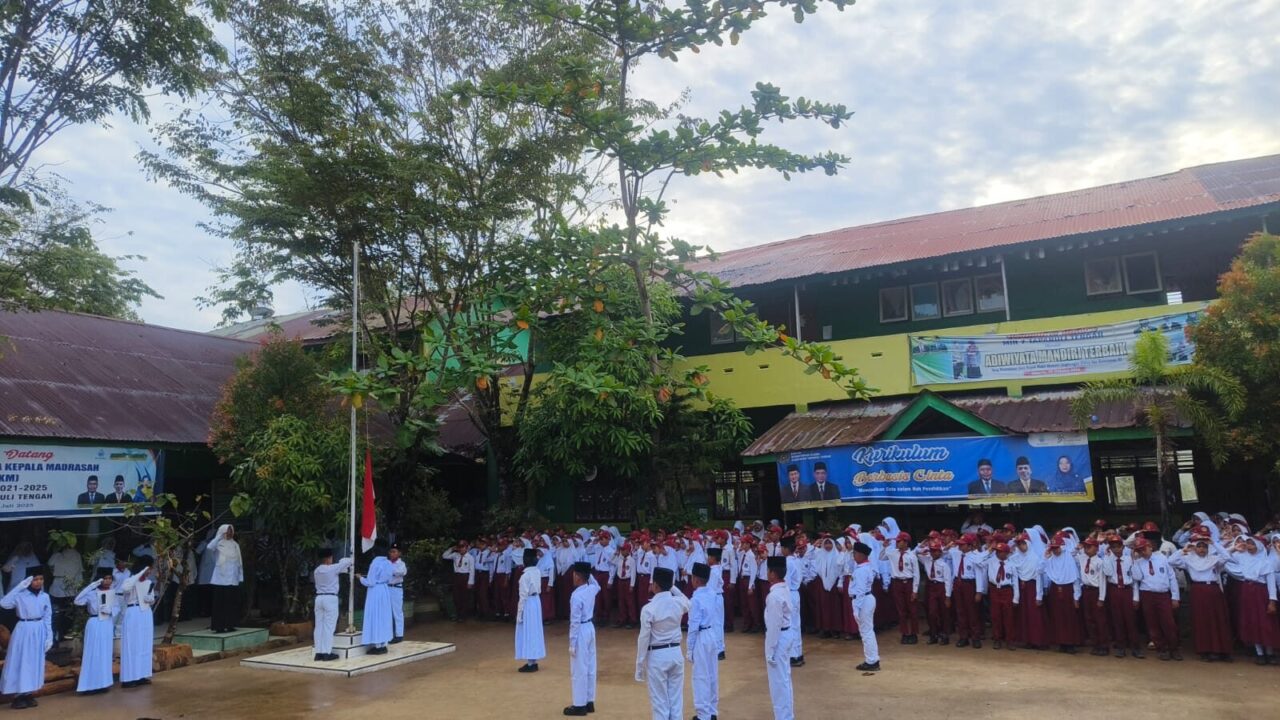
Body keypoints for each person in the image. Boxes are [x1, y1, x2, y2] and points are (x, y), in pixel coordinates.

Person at [635, 566, 689, 720]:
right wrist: (672, 587)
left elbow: (643, 638)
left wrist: (639, 663)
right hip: (676, 653)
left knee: (660, 703)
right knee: (676, 700)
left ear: (655, 585)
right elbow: (687, 601)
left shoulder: (649, 608)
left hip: (657, 656)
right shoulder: (678, 603)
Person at [1171, 537, 1233, 662]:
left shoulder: (1214, 560)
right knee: (1202, 620)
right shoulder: (1189, 560)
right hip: (1198, 590)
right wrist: (1184, 549)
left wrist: (1214, 543)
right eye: (1199, 546)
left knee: (1218, 620)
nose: (1201, 549)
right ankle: (1206, 649)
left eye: (1204, 546)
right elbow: (1171, 561)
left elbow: (1227, 557)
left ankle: (1222, 650)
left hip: (1213, 590)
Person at [0, 570, 51, 709]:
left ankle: (29, 692)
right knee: (22, 661)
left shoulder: (45, 596)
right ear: (28, 580)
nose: (38, 582)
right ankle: (18, 695)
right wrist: (20, 586)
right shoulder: (20, 595)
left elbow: (48, 617)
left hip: (39, 629)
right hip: (24, 628)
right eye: (35, 579)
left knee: (34, 662)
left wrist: (49, 637)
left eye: (41, 578)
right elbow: (4, 603)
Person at [1131, 538, 1182, 661]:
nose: (1142, 552)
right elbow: (1137, 578)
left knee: (1168, 623)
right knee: (1152, 623)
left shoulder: (1162, 559)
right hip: (1147, 594)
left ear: (1150, 547)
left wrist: (1175, 596)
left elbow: (1172, 578)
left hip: (1163, 594)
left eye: (1143, 549)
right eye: (1139, 550)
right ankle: (1161, 648)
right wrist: (1134, 560)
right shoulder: (1139, 562)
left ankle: (1173, 648)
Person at [564, 561, 599, 716]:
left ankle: (579, 705)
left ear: (578, 577)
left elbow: (574, 622)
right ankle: (589, 701)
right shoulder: (592, 588)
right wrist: (588, 572)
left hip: (581, 631)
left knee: (579, 668)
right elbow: (596, 584)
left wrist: (572, 642)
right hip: (590, 627)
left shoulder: (576, 595)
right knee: (591, 666)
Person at [74, 572, 118, 694]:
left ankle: (103, 683)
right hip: (94, 621)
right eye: (105, 578)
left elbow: (117, 607)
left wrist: (110, 610)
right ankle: (89, 685)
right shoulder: (91, 593)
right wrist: (91, 586)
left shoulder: (112, 592)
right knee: (93, 652)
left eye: (110, 578)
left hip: (107, 623)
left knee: (105, 653)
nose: (107, 581)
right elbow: (77, 601)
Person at [686, 562, 719, 720]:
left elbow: (693, 626)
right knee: (712, 674)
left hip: (701, 637)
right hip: (711, 633)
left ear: (696, 579)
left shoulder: (696, 599)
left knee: (700, 676)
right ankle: (712, 711)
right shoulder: (712, 593)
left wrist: (689, 648)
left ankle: (703, 714)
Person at [1039, 535, 1082, 654]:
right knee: (1057, 617)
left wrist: (1076, 597)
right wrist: (1045, 557)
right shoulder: (1050, 559)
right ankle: (1061, 642)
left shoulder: (1069, 558)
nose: (1055, 550)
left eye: (1057, 548)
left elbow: (1075, 579)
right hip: (1055, 590)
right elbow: (1040, 570)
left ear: (1062, 547)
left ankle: (1071, 643)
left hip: (1068, 590)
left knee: (1070, 617)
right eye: (1053, 548)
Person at [763, 556, 795, 720]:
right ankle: (787, 715)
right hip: (786, 634)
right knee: (784, 679)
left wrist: (770, 650)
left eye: (768, 570)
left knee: (778, 683)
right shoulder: (784, 588)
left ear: (773, 573)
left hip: (779, 637)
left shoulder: (774, 596)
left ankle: (783, 717)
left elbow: (774, 626)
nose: (767, 573)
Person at [1101, 533, 1142, 658]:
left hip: (1127, 590)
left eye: (1118, 546)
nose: (1116, 549)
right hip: (1114, 590)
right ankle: (1120, 647)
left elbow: (1136, 578)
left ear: (1123, 547)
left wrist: (1136, 597)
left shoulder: (1129, 559)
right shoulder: (1108, 559)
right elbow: (1107, 573)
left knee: (1130, 620)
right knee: (1117, 619)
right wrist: (1108, 557)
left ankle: (1135, 647)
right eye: (1113, 547)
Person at [312, 548, 353, 661]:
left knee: (319, 626)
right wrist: (345, 558)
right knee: (329, 626)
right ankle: (326, 652)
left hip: (319, 598)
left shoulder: (316, 570)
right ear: (329, 558)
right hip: (330, 598)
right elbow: (348, 561)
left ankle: (318, 652)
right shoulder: (332, 568)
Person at [120, 560, 155, 688]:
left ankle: (141, 675)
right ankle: (129, 678)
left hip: (145, 613)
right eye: (148, 569)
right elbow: (125, 588)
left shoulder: (149, 583)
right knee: (132, 645)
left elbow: (151, 598)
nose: (149, 572)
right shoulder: (130, 581)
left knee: (144, 644)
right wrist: (139, 573)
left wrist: (151, 599)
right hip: (133, 611)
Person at [978, 541, 1019, 650]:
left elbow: (1015, 582)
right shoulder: (991, 561)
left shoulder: (1011, 565)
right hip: (995, 589)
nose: (998, 554)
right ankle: (997, 639)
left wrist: (1016, 598)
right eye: (997, 551)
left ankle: (1010, 641)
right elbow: (977, 562)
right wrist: (988, 551)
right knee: (996, 616)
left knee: (1008, 617)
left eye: (1001, 552)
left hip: (1007, 590)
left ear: (1006, 553)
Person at [1076, 538, 1111, 656]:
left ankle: (1104, 645)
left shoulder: (1099, 562)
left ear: (1096, 548)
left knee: (1100, 620)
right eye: (1085, 546)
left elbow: (1102, 581)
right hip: (1085, 590)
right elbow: (1072, 553)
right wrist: (1078, 548)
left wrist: (1101, 598)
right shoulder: (1082, 558)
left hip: (1096, 591)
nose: (1086, 549)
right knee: (1089, 619)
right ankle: (1095, 644)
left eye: (1089, 547)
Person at [849, 541, 880, 671]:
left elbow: (860, 591)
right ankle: (872, 659)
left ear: (861, 555)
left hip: (863, 601)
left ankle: (871, 660)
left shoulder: (861, 570)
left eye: (855, 553)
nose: (853, 556)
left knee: (866, 632)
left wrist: (856, 608)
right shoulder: (865, 567)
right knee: (867, 631)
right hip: (866, 599)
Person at [883, 530, 919, 644]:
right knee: (901, 610)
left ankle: (913, 633)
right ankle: (904, 633)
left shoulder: (912, 556)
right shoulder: (893, 553)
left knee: (912, 610)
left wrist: (915, 590)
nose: (898, 543)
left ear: (906, 542)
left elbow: (916, 574)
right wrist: (884, 547)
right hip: (897, 582)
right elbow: (881, 557)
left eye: (900, 541)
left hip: (908, 582)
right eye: (897, 541)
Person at [951, 533, 985, 648]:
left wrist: (979, 591)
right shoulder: (955, 553)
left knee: (972, 611)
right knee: (960, 611)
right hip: (958, 583)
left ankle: (975, 637)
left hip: (969, 584)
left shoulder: (975, 557)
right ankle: (963, 637)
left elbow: (979, 575)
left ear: (970, 546)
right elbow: (943, 550)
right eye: (959, 544)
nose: (960, 547)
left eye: (963, 545)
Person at [209, 524, 244, 633]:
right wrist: (219, 536)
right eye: (227, 531)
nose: (229, 533)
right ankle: (219, 626)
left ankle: (230, 624)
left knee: (231, 602)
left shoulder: (235, 545)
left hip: (232, 578)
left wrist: (240, 577)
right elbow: (209, 547)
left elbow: (239, 562)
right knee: (220, 603)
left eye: (231, 531)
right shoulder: (218, 544)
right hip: (221, 578)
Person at [358, 552, 394, 655]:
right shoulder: (388, 563)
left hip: (375, 590)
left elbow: (370, 582)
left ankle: (377, 645)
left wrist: (360, 578)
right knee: (384, 616)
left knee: (376, 616)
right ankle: (384, 644)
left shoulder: (375, 563)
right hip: (384, 589)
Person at [515, 548, 545, 672]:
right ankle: (533, 660)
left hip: (528, 603)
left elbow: (522, 597)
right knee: (535, 630)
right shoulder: (537, 571)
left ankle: (531, 663)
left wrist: (519, 613)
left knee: (528, 631)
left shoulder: (525, 576)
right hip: (536, 601)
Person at [47, 540, 82, 643]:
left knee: (60, 615)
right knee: (63, 614)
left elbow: (50, 564)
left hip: (63, 588)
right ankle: (59, 635)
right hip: (64, 588)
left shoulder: (63, 555)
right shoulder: (63, 555)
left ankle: (59, 635)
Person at [920, 541, 953, 645]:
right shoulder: (927, 560)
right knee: (932, 612)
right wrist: (924, 549)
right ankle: (933, 634)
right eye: (932, 551)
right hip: (932, 586)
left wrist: (948, 597)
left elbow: (948, 581)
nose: (933, 553)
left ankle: (944, 635)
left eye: (936, 551)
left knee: (944, 613)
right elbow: (916, 553)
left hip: (941, 587)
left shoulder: (944, 565)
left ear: (940, 552)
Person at [779, 535, 804, 666]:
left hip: (789, 593)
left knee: (791, 624)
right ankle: (798, 652)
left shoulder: (788, 562)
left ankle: (793, 655)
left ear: (786, 548)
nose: (781, 550)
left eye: (782, 548)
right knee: (796, 624)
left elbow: (786, 581)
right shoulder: (797, 560)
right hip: (795, 593)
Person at [442, 540, 475, 621]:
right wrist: (451, 549)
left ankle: (463, 616)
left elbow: (472, 570)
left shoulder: (470, 557)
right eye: (460, 547)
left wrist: (470, 582)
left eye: (463, 547)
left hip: (465, 576)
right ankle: (458, 614)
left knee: (464, 597)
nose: (461, 549)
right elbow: (444, 556)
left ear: (467, 548)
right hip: (457, 576)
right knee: (456, 596)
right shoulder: (455, 555)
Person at [388, 543, 407, 643]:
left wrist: (390, 569)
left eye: (394, 552)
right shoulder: (387, 563)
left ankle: (399, 634)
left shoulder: (401, 564)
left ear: (399, 553)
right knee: (387, 612)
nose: (392, 554)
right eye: (391, 551)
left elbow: (401, 572)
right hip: (387, 588)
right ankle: (389, 634)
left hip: (396, 588)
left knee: (397, 612)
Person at [111, 556, 131, 638]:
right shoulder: (113, 572)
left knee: (123, 615)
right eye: (121, 562)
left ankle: (118, 636)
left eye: (124, 562)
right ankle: (110, 634)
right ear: (117, 563)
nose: (123, 564)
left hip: (125, 596)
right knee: (114, 615)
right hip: (115, 596)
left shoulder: (128, 572)